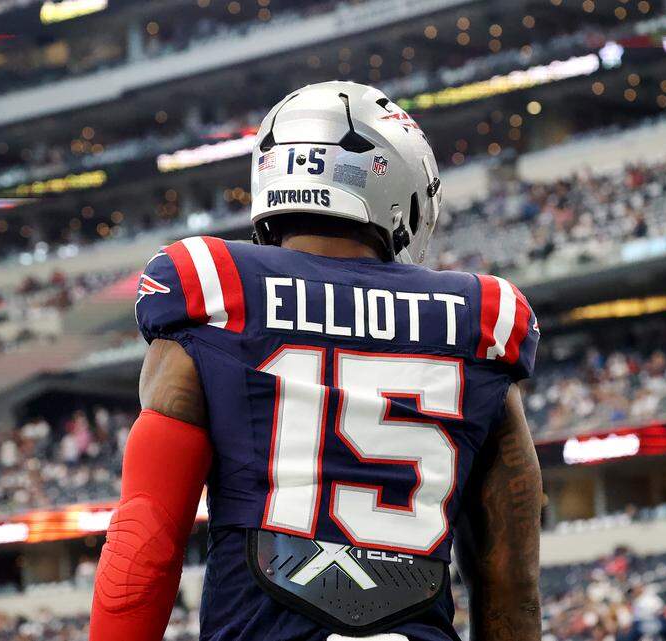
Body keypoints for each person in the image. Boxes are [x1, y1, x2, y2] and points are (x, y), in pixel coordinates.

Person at [89, 81, 543, 641]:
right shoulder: (482, 317)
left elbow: (146, 540)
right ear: (401, 193)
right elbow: (512, 587)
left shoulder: (218, 289)